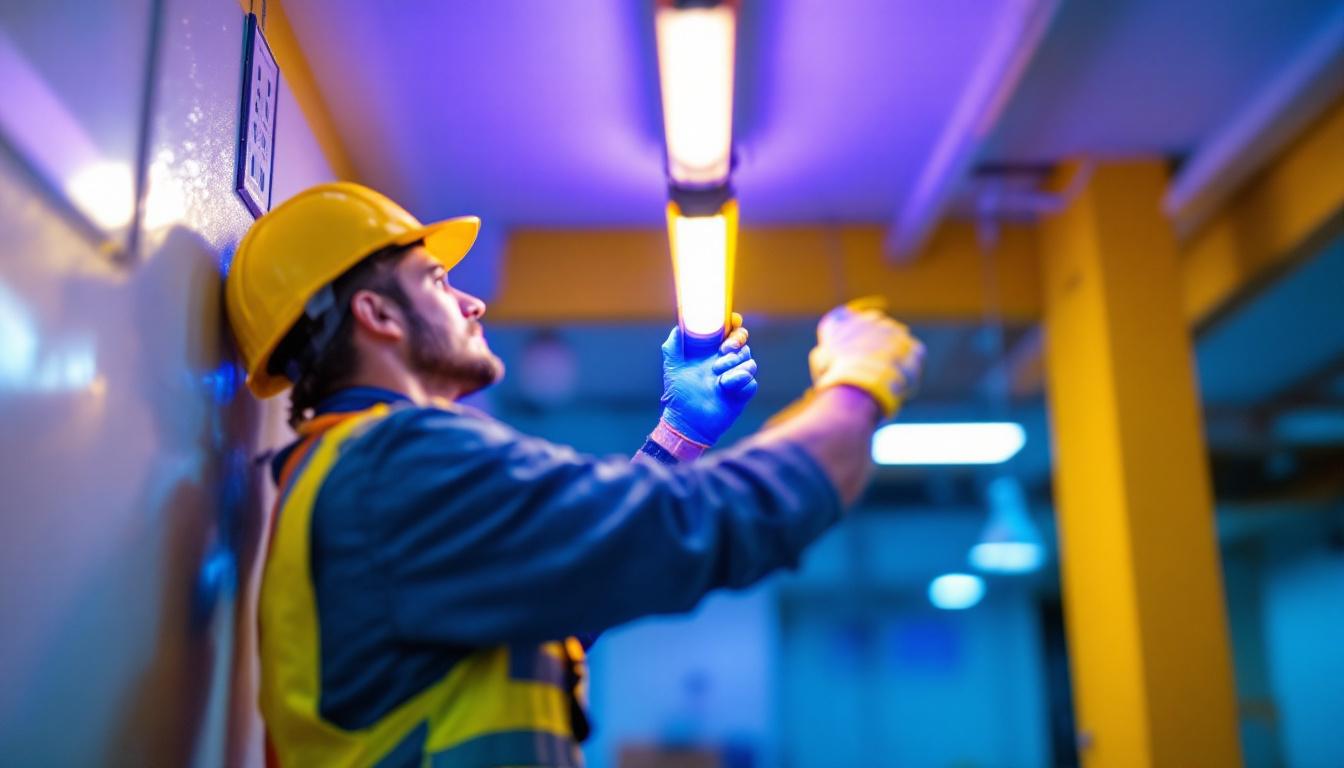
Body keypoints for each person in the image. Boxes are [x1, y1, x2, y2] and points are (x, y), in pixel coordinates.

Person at [225, 182, 924, 767]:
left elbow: (566, 586)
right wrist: (856, 390)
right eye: (436, 280)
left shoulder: (353, 474)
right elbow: (686, 525)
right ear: (375, 314)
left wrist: (678, 438)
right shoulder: (397, 463)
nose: (473, 303)